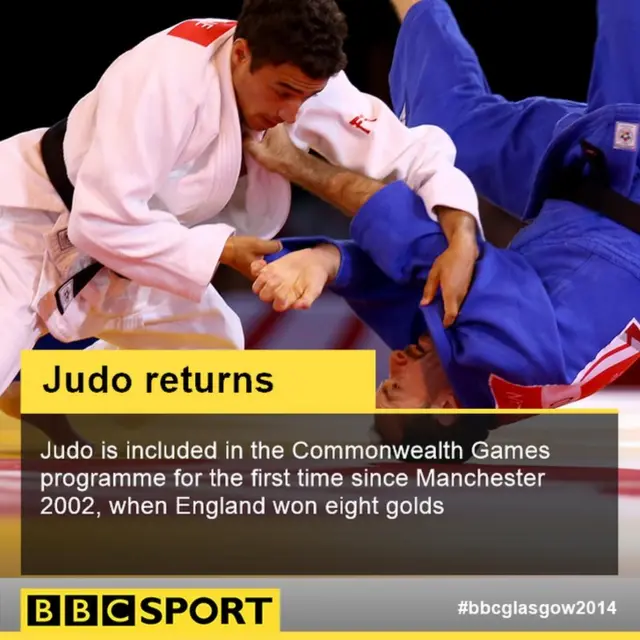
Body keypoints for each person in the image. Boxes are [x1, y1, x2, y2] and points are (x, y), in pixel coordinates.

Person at [1, 0, 484, 443]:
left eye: (307, 96)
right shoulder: (165, 78)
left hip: (123, 258)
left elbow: (409, 151)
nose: (292, 113)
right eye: (285, 92)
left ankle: (45, 395)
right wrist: (224, 250)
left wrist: (461, 233)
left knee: (210, 354)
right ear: (241, 53)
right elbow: (100, 220)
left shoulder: (302, 77)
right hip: (25, 226)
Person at [244, 0, 640, 451]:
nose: (391, 361)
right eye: (395, 391)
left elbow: (394, 280)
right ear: (448, 409)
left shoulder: (462, 363)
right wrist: (296, 165)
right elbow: (417, 237)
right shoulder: (516, 367)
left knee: (447, 137)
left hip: (575, 190)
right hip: (628, 178)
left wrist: (323, 260)